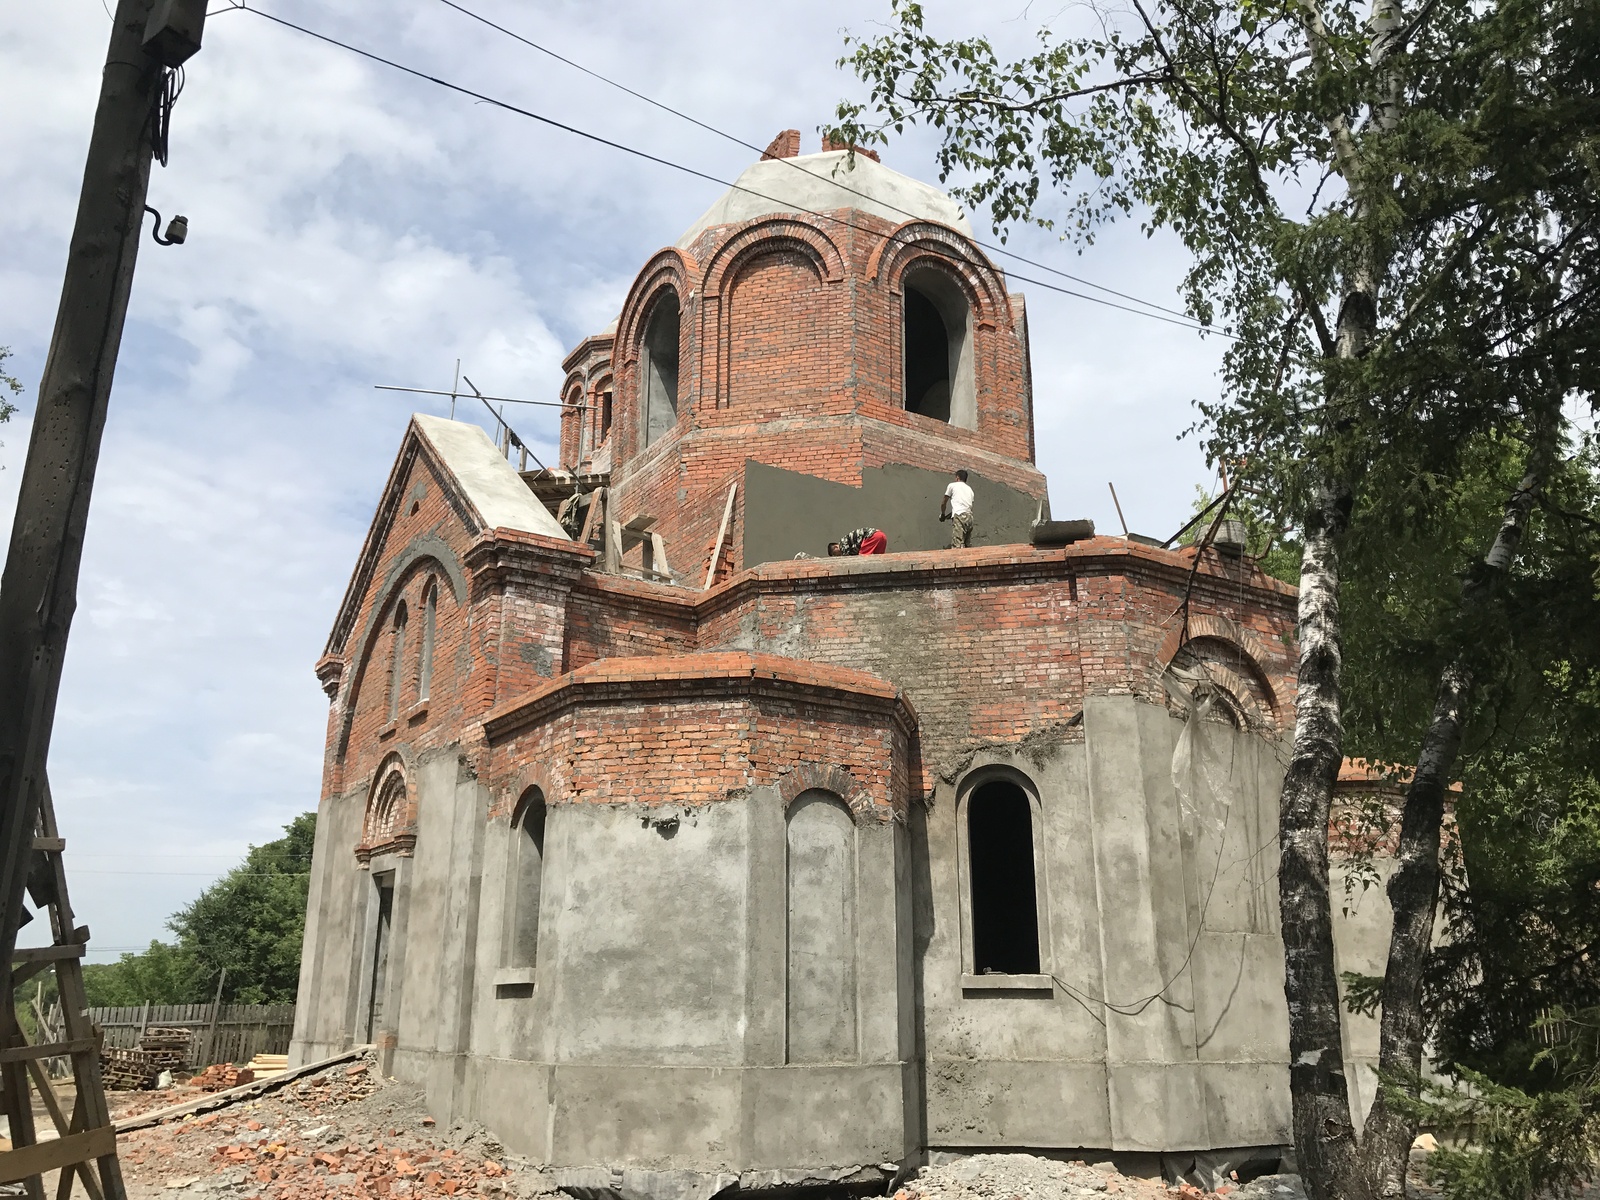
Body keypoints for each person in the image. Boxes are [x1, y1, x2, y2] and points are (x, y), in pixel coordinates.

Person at [941, 469, 975, 548]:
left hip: (959, 516)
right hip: (969, 518)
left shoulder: (952, 485)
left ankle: (957, 559)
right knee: (967, 545)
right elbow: (966, 506)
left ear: (957, 477)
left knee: (957, 544)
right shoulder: (970, 490)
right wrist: (951, 514)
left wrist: (942, 514)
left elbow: (944, 502)